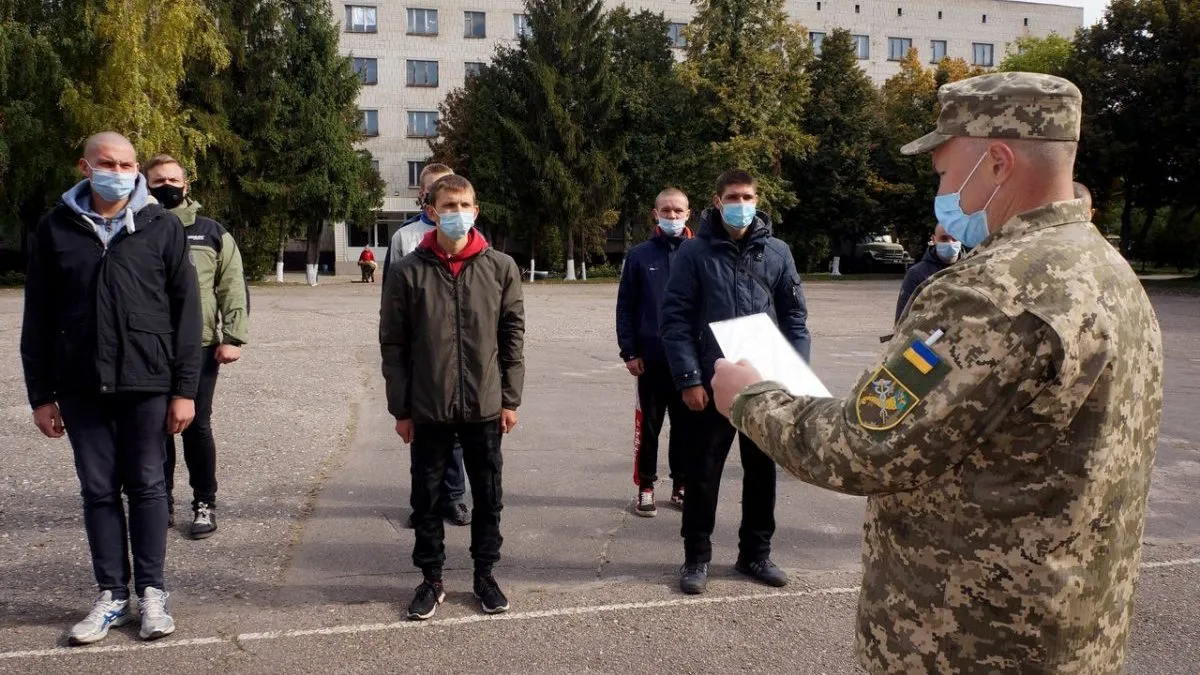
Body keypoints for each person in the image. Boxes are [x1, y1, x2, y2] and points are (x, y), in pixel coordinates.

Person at [711, 73, 1163, 673]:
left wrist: (751, 398)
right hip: (1074, 628)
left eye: (945, 173)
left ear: (997, 163)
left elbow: (863, 447)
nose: (942, 192)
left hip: (971, 638)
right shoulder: (1108, 271)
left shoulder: (989, 294)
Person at [21, 132, 202, 644]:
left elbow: (187, 314)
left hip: (147, 380)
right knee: (98, 490)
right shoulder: (56, 228)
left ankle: (152, 592)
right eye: (108, 163)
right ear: (85, 167)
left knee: (148, 485)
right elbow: (38, 317)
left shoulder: (162, 226)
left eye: (127, 165)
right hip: (80, 384)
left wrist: (184, 389)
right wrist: (41, 395)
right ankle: (112, 595)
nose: (119, 173)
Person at [380, 174, 525, 620]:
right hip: (429, 407)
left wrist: (510, 399)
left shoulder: (501, 267)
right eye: (448, 206)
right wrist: (401, 409)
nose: (457, 213)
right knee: (426, 499)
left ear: (476, 211)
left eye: (464, 205)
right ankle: (431, 579)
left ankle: (485, 576)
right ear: (432, 210)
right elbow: (393, 344)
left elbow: (512, 336)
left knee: (489, 495)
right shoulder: (408, 271)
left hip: (485, 405)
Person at [659, 169, 810, 595]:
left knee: (762, 472)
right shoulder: (694, 253)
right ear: (717, 201)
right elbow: (675, 320)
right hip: (712, 384)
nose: (740, 204)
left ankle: (755, 554)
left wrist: (795, 377)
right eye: (732, 197)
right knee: (702, 472)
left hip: (764, 384)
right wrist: (690, 378)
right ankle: (696, 557)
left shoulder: (777, 252)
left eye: (746, 197)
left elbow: (795, 320)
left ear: (757, 200)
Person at [145, 154, 250, 539]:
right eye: (158, 181)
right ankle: (160, 501)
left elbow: (231, 285)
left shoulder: (210, 232)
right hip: (148, 347)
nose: (167, 187)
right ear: (146, 185)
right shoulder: (135, 227)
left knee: (196, 426)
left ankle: (204, 502)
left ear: (186, 185)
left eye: (173, 180)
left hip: (200, 346)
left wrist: (233, 337)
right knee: (155, 428)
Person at [383, 162, 470, 527]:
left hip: (460, 354)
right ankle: (425, 504)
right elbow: (392, 299)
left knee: (456, 436)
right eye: (436, 190)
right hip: (423, 355)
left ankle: (454, 498)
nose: (451, 206)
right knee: (423, 437)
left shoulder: (471, 236)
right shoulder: (405, 237)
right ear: (425, 197)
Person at [616, 188, 694, 517]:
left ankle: (681, 485)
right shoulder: (639, 256)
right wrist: (629, 351)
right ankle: (646, 486)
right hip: (650, 360)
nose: (672, 216)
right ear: (655, 213)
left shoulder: (701, 252)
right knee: (649, 427)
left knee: (686, 428)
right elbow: (626, 307)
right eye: (666, 210)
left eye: (678, 211)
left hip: (689, 361)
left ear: (688, 213)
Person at [894, 224, 961, 322]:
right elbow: (902, 317)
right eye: (944, 239)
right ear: (934, 239)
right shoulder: (917, 273)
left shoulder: (973, 268)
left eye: (955, 238)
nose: (950, 243)